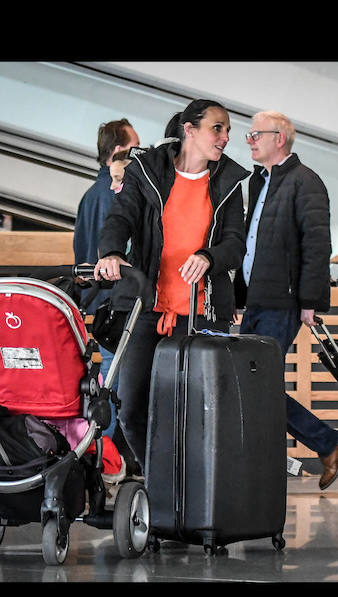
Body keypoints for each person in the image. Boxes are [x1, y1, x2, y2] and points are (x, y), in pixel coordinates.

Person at [95, 99, 249, 473]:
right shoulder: (146, 170)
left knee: (193, 413)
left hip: (202, 313)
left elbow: (235, 242)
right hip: (146, 308)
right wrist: (112, 252)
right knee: (131, 406)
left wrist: (210, 257)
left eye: (227, 130)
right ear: (190, 129)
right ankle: (160, 483)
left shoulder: (228, 180)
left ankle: (191, 491)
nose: (226, 137)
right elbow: (121, 216)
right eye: (218, 128)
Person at [234, 110, 338, 491]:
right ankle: (325, 441)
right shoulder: (259, 182)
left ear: (279, 138)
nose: (249, 140)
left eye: (256, 134)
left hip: (281, 303)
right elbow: (251, 244)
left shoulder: (305, 182)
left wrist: (310, 300)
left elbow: (317, 245)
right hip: (256, 301)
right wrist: (239, 296)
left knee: (257, 385)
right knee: (251, 384)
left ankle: (322, 442)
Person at [74, 119, 141, 477]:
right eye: (136, 149)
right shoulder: (113, 196)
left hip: (98, 303)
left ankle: (102, 460)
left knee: (109, 386)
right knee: (114, 391)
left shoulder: (90, 196)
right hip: (119, 304)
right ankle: (105, 461)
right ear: (119, 153)